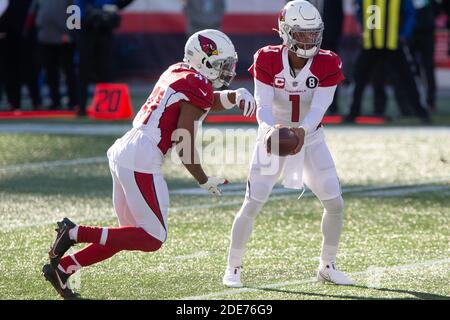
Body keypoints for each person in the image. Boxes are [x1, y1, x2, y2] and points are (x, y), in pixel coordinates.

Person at [42, 29, 257, 299]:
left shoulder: (179, 71)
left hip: (127, 149)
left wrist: (235, 96)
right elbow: (184, 140)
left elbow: (203, 101)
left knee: (126, 235)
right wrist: (203, 178)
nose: (226, 71)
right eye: (221, 64)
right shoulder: (197, 85)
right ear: (203, 60)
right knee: (153, 237)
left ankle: (63, 269)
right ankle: (73, 232)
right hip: (142, 157)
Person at [223, 0, 354, 288]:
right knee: (252, 203)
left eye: (313, 33)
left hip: (312, 137)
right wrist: (272, 132)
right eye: (302, 33)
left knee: (334, 203)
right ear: (285, 31)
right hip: (273, 137)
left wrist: (301, 134)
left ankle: (327, 265)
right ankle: (233, 267)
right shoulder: (267, 58)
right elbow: (263, 107)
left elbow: (320, 108)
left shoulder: (328, 60)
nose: (309, 39)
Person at [346, 0, 431, 123]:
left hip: (393, 43)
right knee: (359, 78)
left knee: (408, 78)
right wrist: (363, 30)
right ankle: (353, 112)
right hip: (371, 43)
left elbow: (410, 13)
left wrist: (405, 34)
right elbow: (359, 11)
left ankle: (421, 111)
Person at [76, 0, 134, 116]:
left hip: (105, 32)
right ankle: (81, 107)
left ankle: (105, 107)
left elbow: (120, 4)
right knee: (84, 71)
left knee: (104, 70)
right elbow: (78, 11)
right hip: (87, 32)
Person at [34, 0, 78, 110]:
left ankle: (74, 101)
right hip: (46, 37)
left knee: (68, 70)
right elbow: (38, 11)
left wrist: (70, 34)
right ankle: (55, 100)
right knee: (50, 71)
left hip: (64, 38)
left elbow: (75, 11)